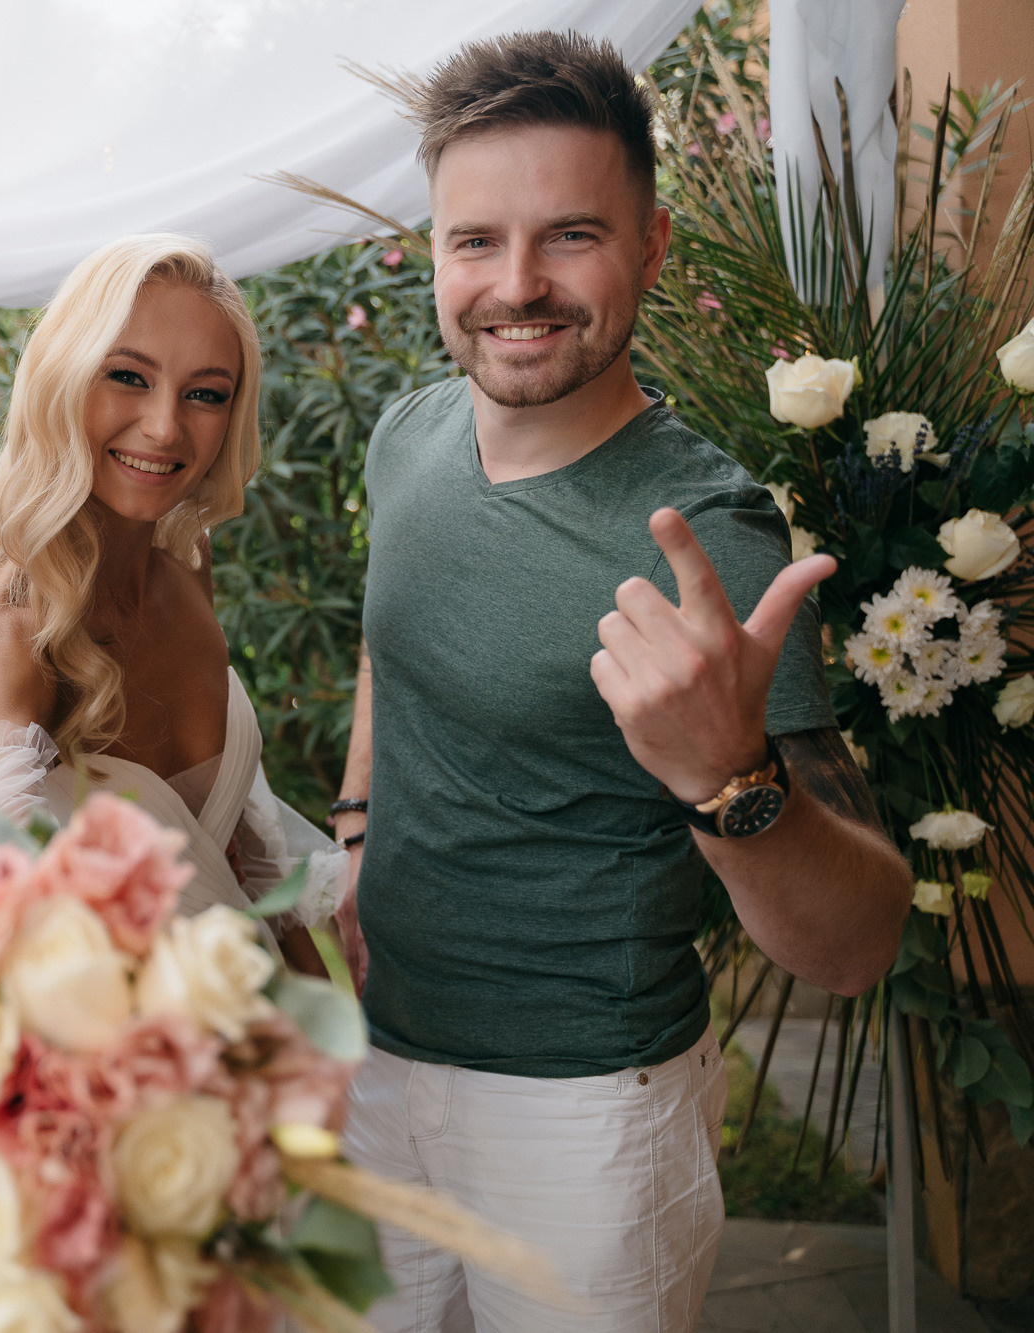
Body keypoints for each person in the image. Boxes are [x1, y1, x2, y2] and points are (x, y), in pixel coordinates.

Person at [327, 32, 911, 1333]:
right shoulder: (409, 437)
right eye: (474, 240)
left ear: (649, 249)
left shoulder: (710, 536)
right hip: (373, 1069)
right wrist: (358, 828)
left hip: (586, 1120)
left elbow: (860, 942)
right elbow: (392, 636)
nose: (515, 285)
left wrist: (729, 778)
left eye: (570, 236)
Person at [0, 233, 344, 964]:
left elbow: (239, 854)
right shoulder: (3, 637)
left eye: (205, 394)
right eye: (128, 376)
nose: (165, 426)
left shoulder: (188, 563)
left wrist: (314, 1040)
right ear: (62, 378)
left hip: (259, 1022)